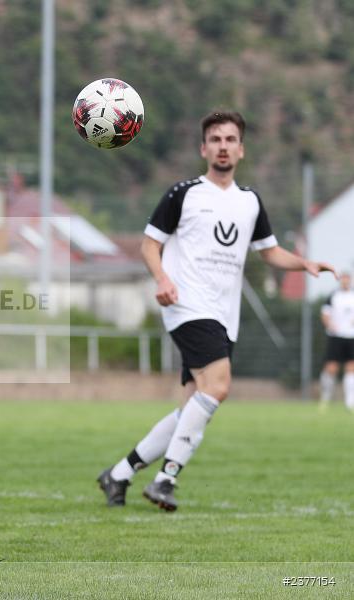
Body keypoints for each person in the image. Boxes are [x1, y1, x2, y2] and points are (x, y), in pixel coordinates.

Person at [97, 111, 336, 511]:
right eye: (215, 139)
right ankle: (165, 480)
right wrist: (162, 279)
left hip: (225, 315)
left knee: (193, 404)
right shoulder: (184, 193)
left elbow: (270, 251)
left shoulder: (249, 202)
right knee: (220, 386)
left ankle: (118, 474)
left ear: (241, 150)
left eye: (230, 139)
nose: (222, 146)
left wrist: (305, 264)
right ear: (203, 148)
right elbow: (149, 245)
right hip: (185, 304)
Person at [318, 272, 354, 412]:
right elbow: (325, 314)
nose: (345, 281)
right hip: (336, 336)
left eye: (347, 279)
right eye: (343, 279)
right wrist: (330, 325)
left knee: (351, 368)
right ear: (340, 281)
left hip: (351, 336)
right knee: (331, 368)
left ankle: (350, 401)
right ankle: (325, 398)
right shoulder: (333, 296)